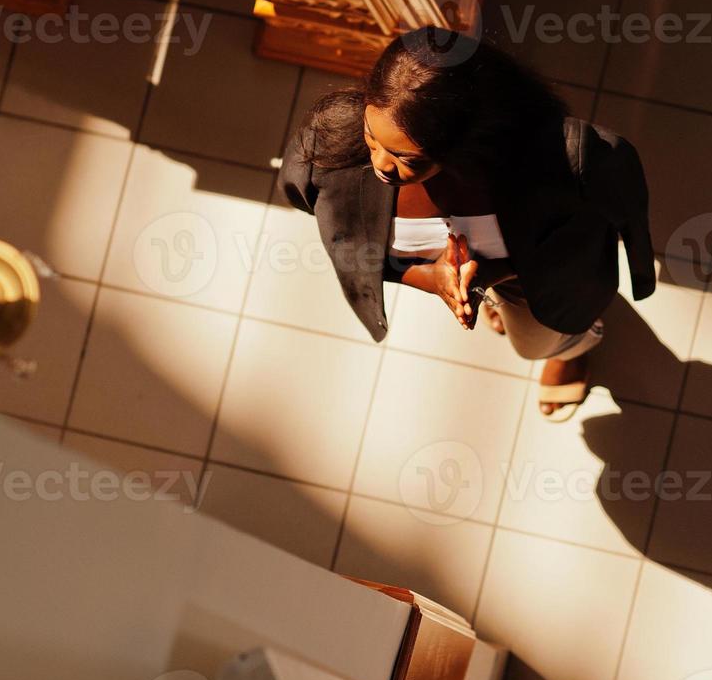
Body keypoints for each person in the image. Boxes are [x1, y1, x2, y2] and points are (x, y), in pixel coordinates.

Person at [280, 28, 656, 421]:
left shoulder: (564, 160)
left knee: (534, 345)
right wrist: (436, 278)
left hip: (529, 283)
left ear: (467, 141)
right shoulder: (329, 146)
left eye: (410, 158)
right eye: (372, 137)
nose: (381, 166)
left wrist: (490, 274)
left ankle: (575, 346)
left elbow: (581, 242)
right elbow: (351, 239)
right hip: (485, 274)